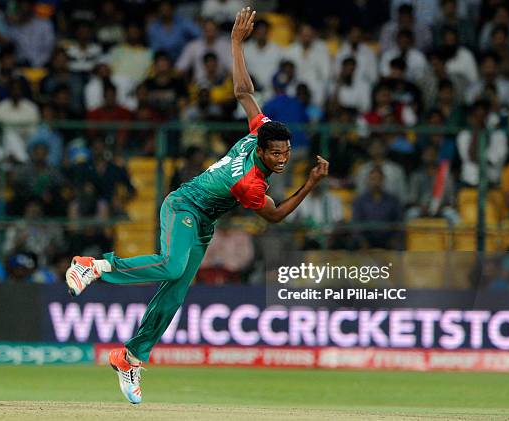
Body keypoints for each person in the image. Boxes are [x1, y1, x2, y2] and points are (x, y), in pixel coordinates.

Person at [64, 8, 328, 405]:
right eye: (275, 154)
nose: (282, 160)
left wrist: (236, 44)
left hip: (204, 222)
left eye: (286, 153)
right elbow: (274, 215)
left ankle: (130, 356)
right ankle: (95, 266)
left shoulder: (260, 129)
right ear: (261, 149)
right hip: (184, 205)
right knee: (171, 266)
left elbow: (243, 92)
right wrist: (309, 183)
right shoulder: (249, 183)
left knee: (173, 293)